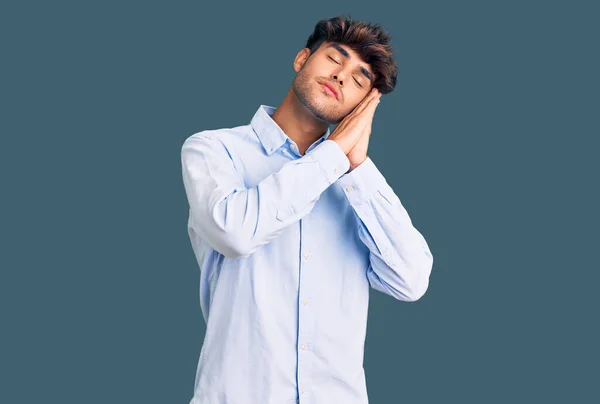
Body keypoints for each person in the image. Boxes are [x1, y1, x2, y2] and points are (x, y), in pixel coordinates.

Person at [181, 14, 433, 404]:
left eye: (360, 78)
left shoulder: (355, 185)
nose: (342, 76)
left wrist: (357, 168)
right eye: (335, 58)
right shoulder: (214, 151)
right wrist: (333, 154)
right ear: (302, 59)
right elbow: (235, 233)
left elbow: (411, 280)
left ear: (365, 104)